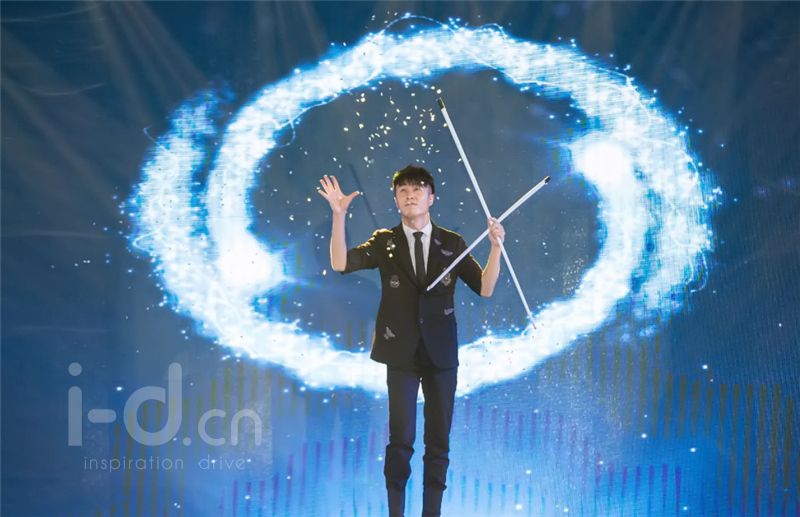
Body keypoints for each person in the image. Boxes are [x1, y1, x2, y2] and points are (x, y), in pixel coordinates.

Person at [317, 164, 504, 516]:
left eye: (417, 188)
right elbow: (341, 263)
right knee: (400, 440)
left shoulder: (452, 243)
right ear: (396, 199)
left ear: (431, 197)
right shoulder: (385, 242)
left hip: (441, 355)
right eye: (402, 190)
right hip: (400, 354)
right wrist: (339, 216)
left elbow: (485, 287)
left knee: (438, 442)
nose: (410, 194)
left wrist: (495, 247)